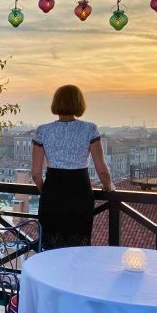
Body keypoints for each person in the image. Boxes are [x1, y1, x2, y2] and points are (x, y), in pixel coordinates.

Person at [31, 84, 115, 250]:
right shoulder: (90, 129)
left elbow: (35, 174)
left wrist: (46, 191)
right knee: (78, 247)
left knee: (52, 249)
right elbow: (102, 170)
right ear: (79, 103)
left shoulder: (43, 131)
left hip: (52, 195)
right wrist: (108, 186)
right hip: (80, 195)